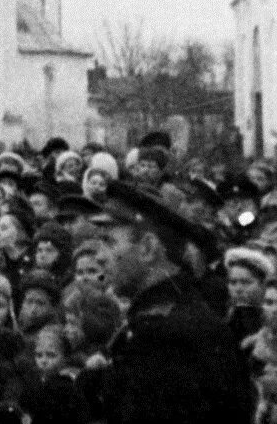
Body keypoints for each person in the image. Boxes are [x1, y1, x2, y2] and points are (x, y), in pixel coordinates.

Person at [83, 180, 253, 424]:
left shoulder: (165, 336)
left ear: (148, 249)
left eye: (110, 242)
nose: (98, 256)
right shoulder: (169, 317)